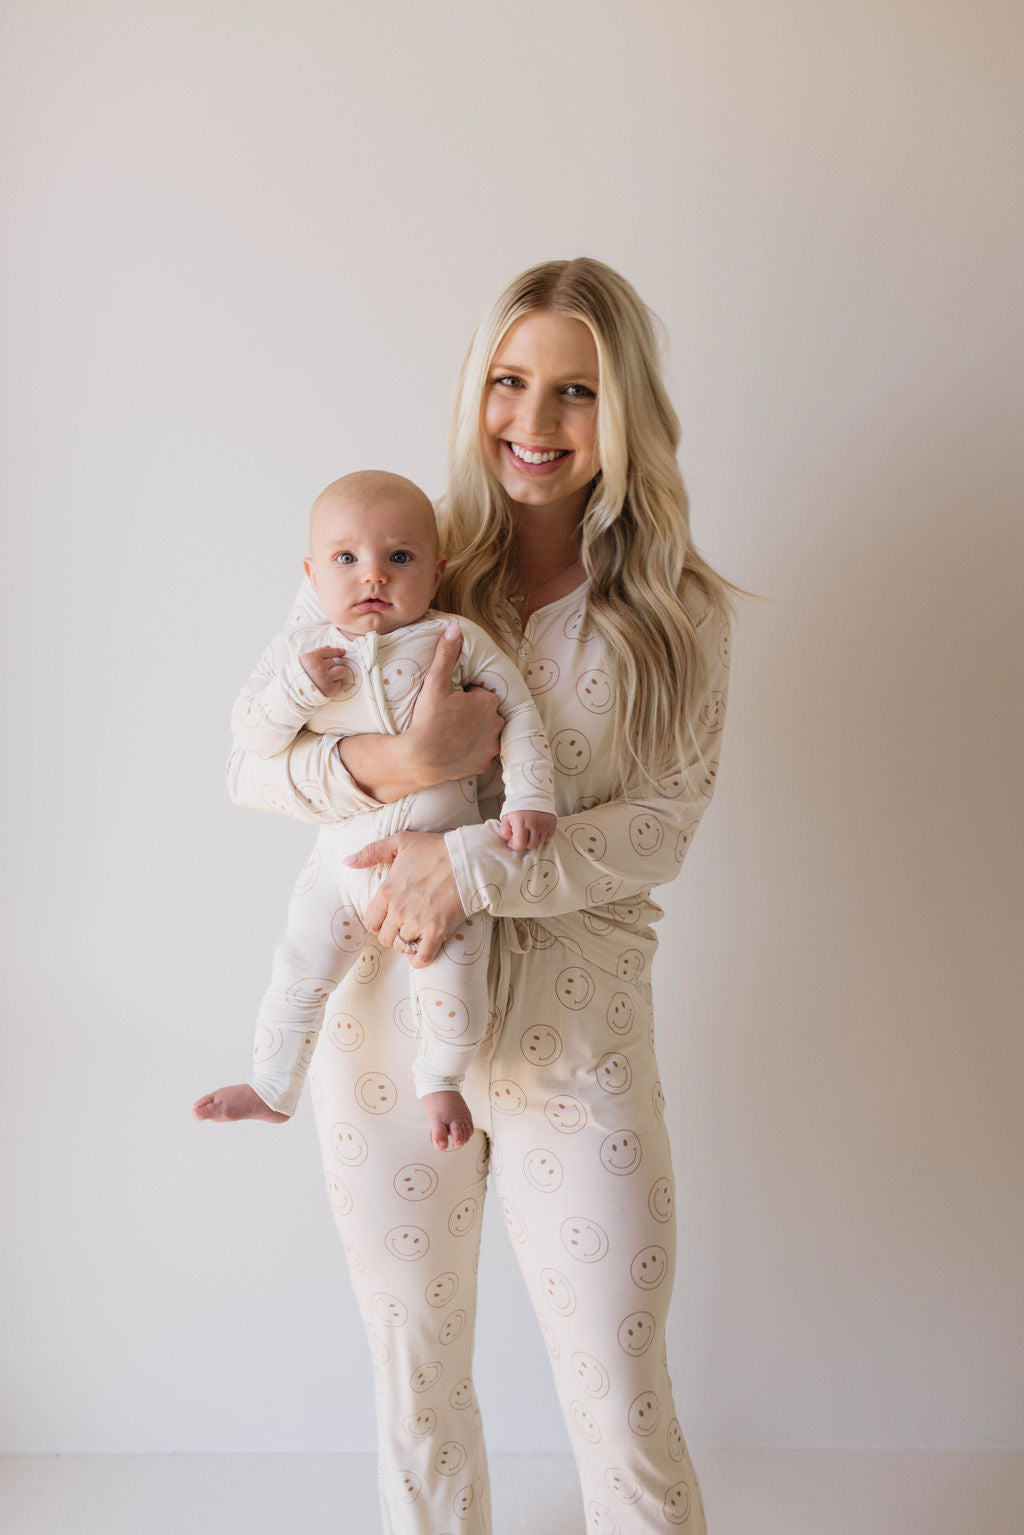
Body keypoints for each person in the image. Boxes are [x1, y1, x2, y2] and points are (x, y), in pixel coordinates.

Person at [205, 257, 734, 1535]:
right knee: (415, 1386)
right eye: (510, 381)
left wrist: (471, 861)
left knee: (618, 1401)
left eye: (575, 391)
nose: (534, 421)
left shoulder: (677, 612)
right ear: (475, 389)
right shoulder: (396, 553)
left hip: (577, 1036)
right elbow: (249, 763)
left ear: (625, 417)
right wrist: (403, 766)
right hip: (386, 1022)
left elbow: (661, 825)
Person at [193, 469, 557, 1150]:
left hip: (441, 863)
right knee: (299, 963)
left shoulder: (457, 638)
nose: (373, 576)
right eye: (346, 558)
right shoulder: (298, 653)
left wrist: (533, 797)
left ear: (436, 569)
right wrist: (298, 694)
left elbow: (523, 716)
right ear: (311, 571)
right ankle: (273, 1084)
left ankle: (439, 1076)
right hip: (340, 860)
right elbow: (249, 739)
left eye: (399, 557)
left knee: (453, 968)